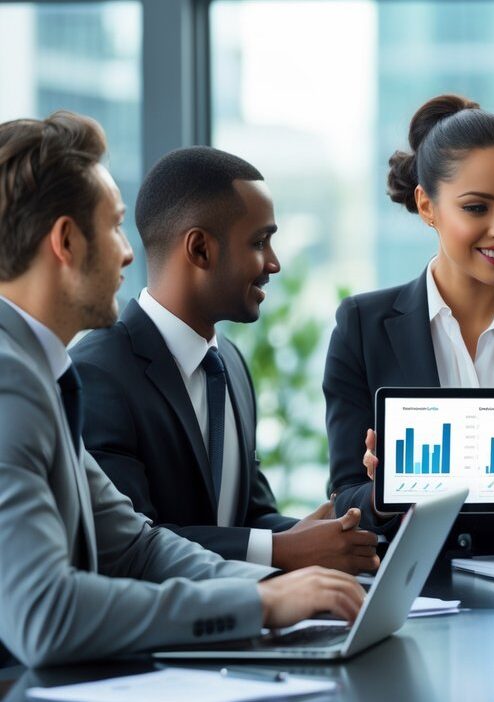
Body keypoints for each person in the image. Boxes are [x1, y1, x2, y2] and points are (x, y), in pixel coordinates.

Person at [0, 111, 363, 668]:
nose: (129, 252)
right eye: (115, 226)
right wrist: (259, 602)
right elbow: (45, 615)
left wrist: (276, 590)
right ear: (67, 242)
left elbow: (139, 546)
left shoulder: (40, 375)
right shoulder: (12, 383)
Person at [70, 146, 378, 574]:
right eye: (259, 242)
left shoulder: (229, 362)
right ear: (199, 250)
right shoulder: (96, 373)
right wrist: (282, 550)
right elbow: (131, 544)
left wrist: (338, 531)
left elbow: (251, 519)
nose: (274, 262)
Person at [327, 94, 494, 554]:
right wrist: (380, 495)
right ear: (427, 206)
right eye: (476, 208)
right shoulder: (363, 327)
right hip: (411, 596)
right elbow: (343, 500)